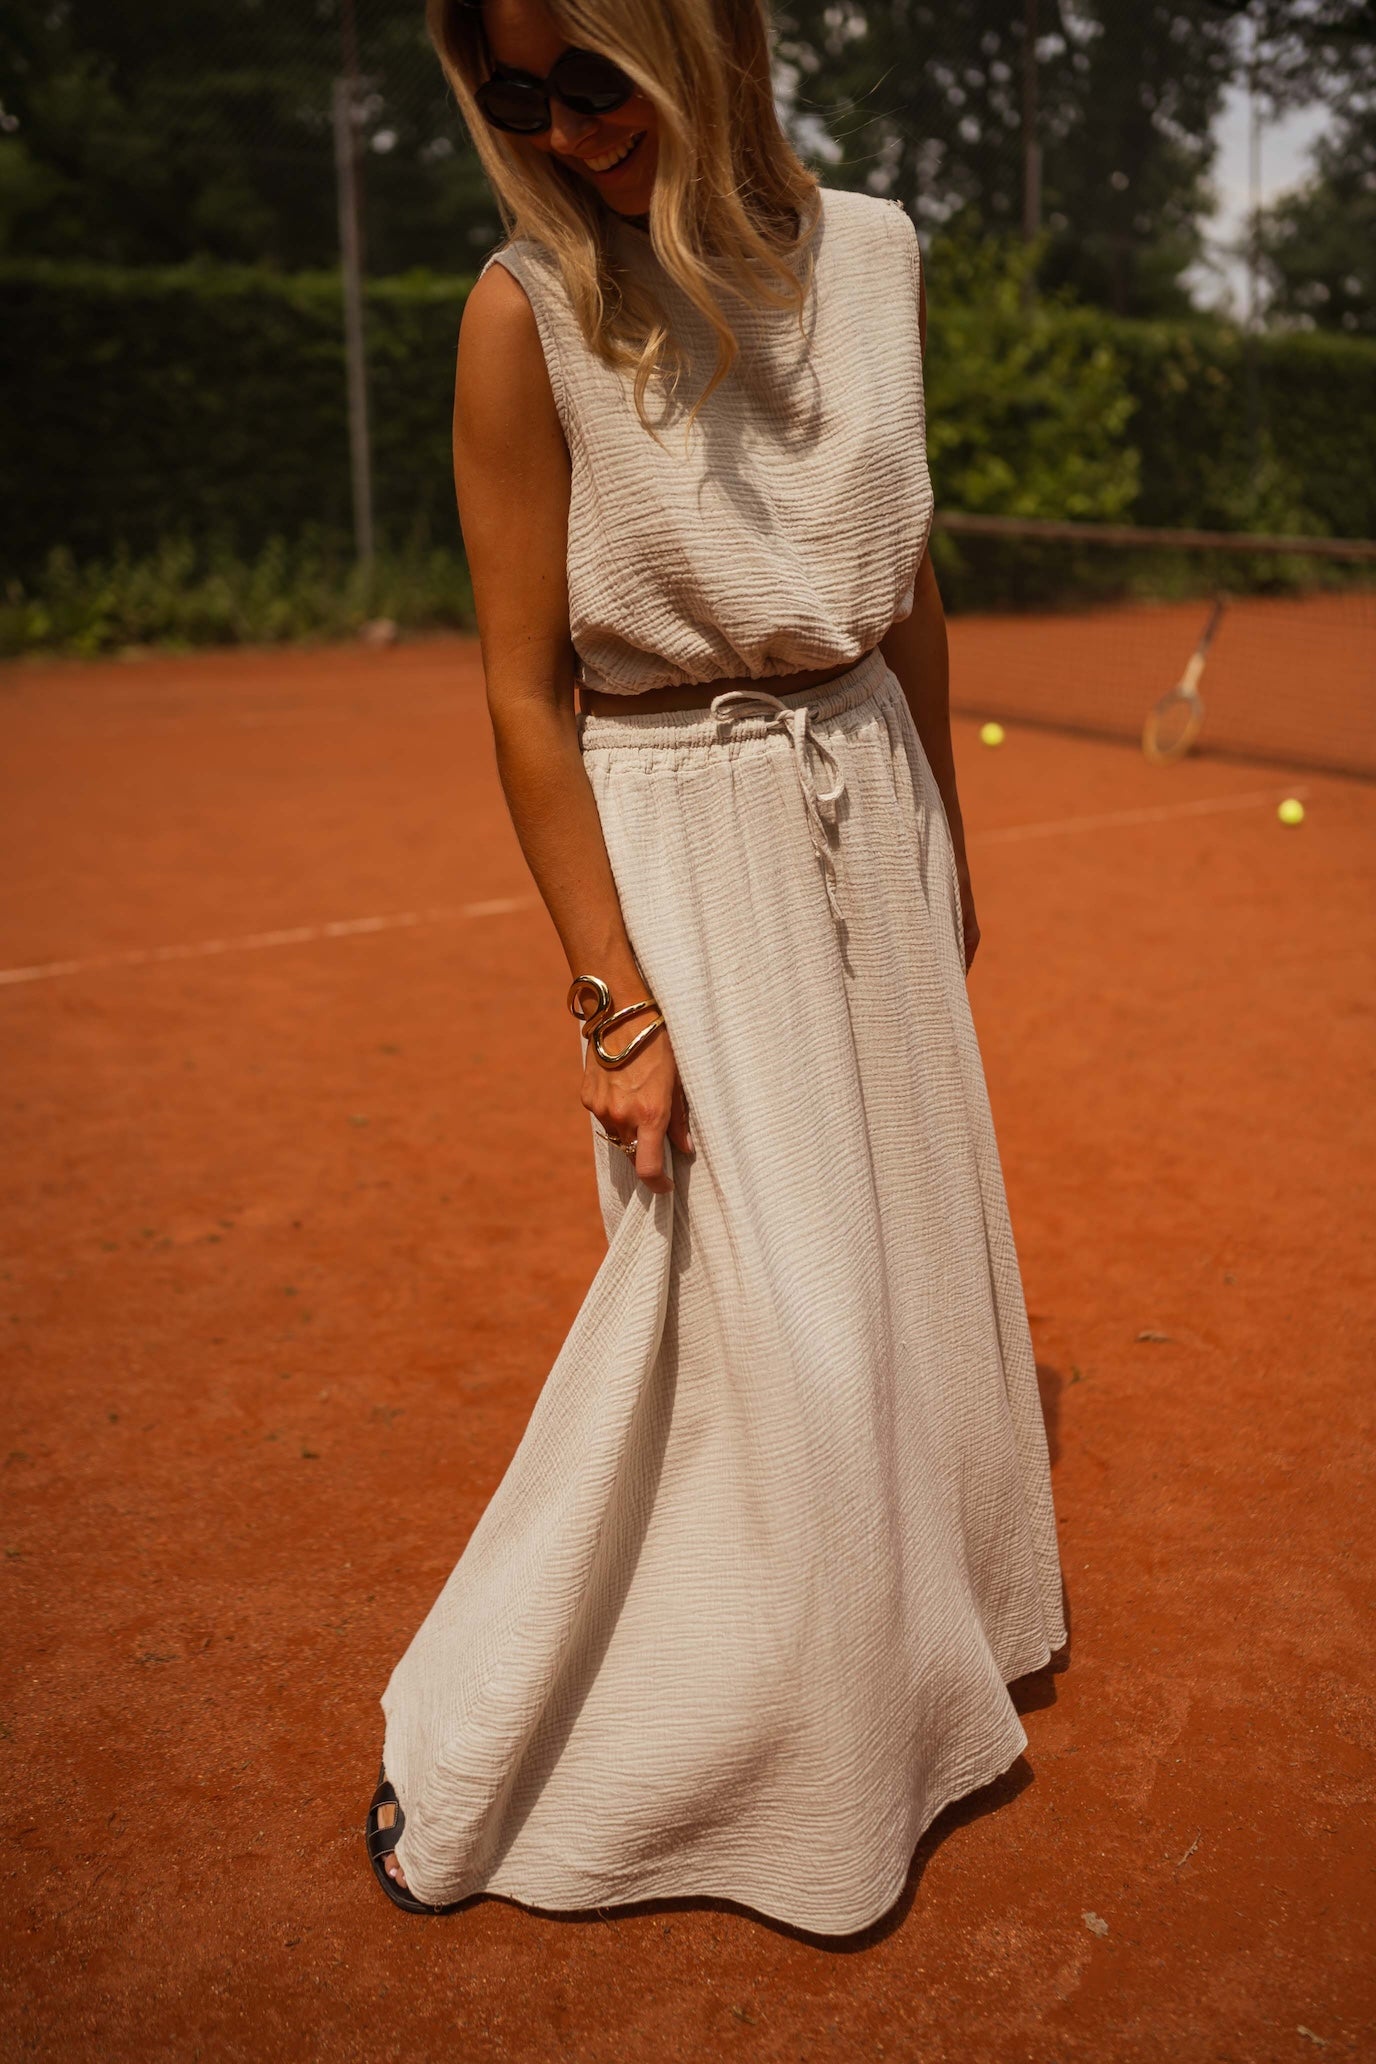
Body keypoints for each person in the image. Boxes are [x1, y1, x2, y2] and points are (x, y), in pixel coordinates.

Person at [365, 0, 1068, 1936]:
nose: (567, 133)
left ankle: (927, 1637)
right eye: (519, 96)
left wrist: (943, 830)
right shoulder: (522, 312)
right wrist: (615, 997)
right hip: (679, 828)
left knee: (904, 1252)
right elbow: (525, 695)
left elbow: (907, 574)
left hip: (866, 787)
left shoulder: (877, 254)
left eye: (596, 80)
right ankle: (591, 1743)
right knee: (752, 1314)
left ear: (700, 40)